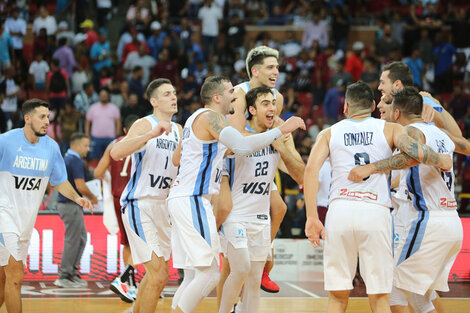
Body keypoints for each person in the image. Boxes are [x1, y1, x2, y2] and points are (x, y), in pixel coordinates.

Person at [303, 81, 452, 313]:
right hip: (375, 212)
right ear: (373, 105)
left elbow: (311, 170)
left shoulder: (328, 133)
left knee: (337, 296)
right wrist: (442, 159)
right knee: (380, 297)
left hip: (339, 210)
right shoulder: (389, 129)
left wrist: (312, 217)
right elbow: (415, 155)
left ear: (345, 107)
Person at [168, 75, 305, 313]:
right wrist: (280, 131)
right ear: (217, 97)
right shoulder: (211, 117)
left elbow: (177, 158)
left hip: (187, 197)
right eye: (232, 91)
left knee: (194, 275)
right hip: (193, 198)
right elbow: (241, 146)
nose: (236, 95)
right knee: (209, 273)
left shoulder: (196, 120)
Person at [349, 87, 470, 313]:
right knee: (420, 298)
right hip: (452, 223)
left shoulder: (412, 131)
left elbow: (412, 158)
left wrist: (371, 168)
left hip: (428, 222)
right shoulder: (442, 134)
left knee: (392, 289)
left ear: (397, 114)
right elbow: (464, 145)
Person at [0, 99, 93, 313]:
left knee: (4, 279)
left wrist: (76, 198)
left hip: (26, 221)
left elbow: (59, 181)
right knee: (16, 276)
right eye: (42, 117)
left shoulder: (51, 146)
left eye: (48, 117)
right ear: (27, 118)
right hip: (4, 215)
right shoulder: (5, 142)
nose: (47, 121)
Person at [218, 86, 305, 313]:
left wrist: (283, 149)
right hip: (236, 217)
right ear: (252, 110)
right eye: (266, 103)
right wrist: (275, 136)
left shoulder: (277, 139)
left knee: (254, 281)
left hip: (260, 219)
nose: (272, 108)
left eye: (273, 103)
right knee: (241, 268)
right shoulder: (237, 136)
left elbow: (300, 175)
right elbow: (237, 147)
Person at [110, 79, 182, 313]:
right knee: (158, 273)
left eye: (174, 93)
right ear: (153, 101)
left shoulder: (180, 130)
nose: (174, 97)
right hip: (140, 204)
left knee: (157, 278)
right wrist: (151, 134)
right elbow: (116, 152)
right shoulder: (144, 124)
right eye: (167, 94)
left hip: (165, 207)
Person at [228, 45, 288, 293]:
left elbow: (269, 128)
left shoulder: (278, 97)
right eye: (271, 67)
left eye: (278, 67)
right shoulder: (239, 94)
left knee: (280, 207)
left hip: (260, 158)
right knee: (228, 268)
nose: (276, 72)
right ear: (255, 70)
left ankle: (262, 260)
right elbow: (236, 138)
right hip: (234, 161)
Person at [94, 114, 139, 302]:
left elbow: (97, 172)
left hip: (117, 198)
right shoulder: (143, 143)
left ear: (124, 130)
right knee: (144, 243)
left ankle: (132, 283)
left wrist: (112, 178)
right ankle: (127, 280)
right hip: (136, 197)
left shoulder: (113, 145)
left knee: (128, 243)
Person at [54, 133, 98, 288]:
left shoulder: (67, 159)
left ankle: (72, 274)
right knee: (74, 240)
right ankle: (65, 276)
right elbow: (80, 186)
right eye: (86, 145)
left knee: (81, 239)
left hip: (68, 204)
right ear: (76, 145)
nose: (88, 149)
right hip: (70, 204)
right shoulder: (76, 161)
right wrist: (93, 197)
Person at [377, 61, 462, 138]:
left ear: (397, 85)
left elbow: (457, 136)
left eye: (383, 82)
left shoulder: (423, 100)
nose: (379, 87)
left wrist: (437, 106)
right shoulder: (396, 107)